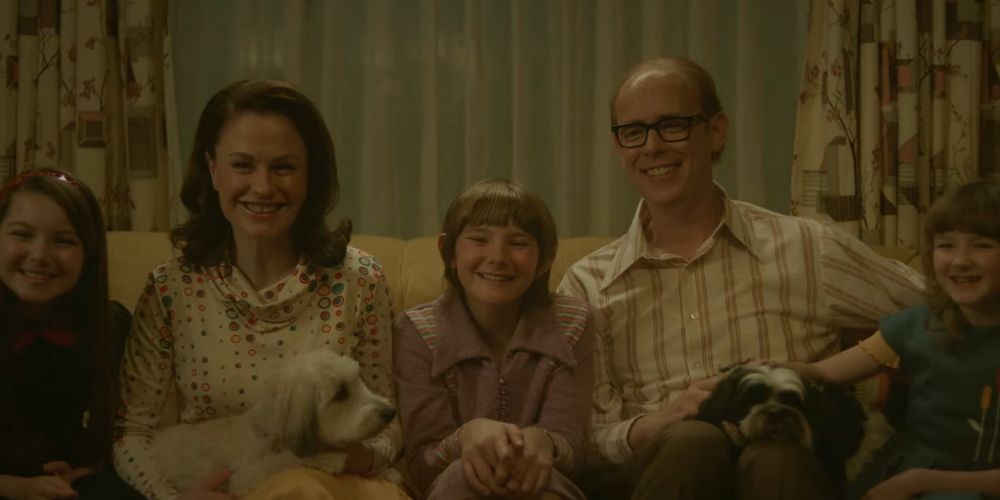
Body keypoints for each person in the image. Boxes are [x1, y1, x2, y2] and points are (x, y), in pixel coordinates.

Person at [555, 56, 926, 499]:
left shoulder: (808, 249)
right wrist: (657, 422)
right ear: (619, 148)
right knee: (693, 440)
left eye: (672, 125)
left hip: (787, 466)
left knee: (775, 454)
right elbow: (576, 438)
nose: (652, 146)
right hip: (664, 470)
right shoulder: (588, 285)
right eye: (633, 132)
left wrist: (833, 371)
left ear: (716, 131)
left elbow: (945, 310)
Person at [113, 80, 407, 500]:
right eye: (243, 165)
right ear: (213, 170)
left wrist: (339, 462)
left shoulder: (360, 280)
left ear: (310, 176)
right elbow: (131, 432)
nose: (264, 187)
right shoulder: (171, 288)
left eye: (284, 167)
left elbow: (390, 428)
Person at [785, 178, 1000, 500]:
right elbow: (821, 373)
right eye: (946, 245)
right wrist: (735, 376)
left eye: (981, 245)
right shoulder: (916, 325)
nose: (960, 260)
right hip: (909, 474)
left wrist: (920, 481)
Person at [393, 179, 594, 500]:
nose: (497, 256)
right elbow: (422, 463)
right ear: (448, 252)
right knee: (460, 476)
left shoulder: (572, 322)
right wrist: (467, 438)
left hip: (544, 482)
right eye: (479, 239)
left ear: (546, 258)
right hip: (456, 487)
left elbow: (574, 451)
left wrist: (545, 442)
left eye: (518, 243)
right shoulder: (417, 329)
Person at [0, 169, 142, 499]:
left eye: (63, 240)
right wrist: (18, 487)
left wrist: (87, 468)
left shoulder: (110, 327)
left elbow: (121, 432)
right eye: (22, 234)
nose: (39, 255)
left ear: (89, 254)